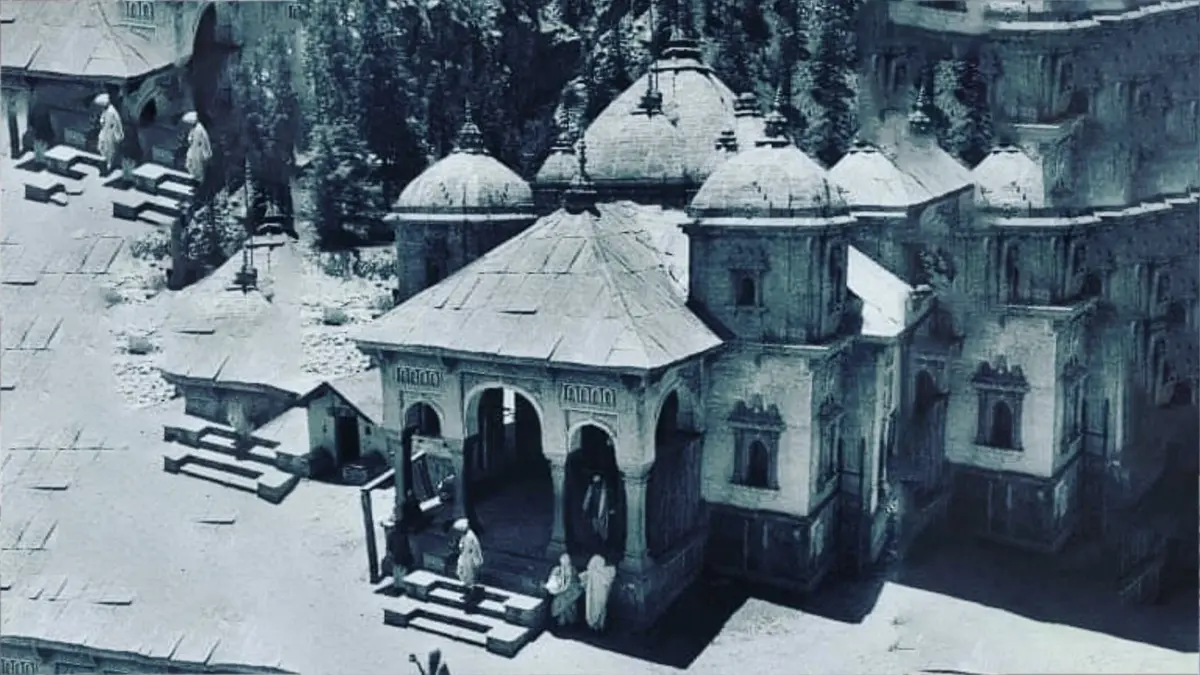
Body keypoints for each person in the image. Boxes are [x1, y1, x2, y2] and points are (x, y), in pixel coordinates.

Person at [543, 553, 582, 628]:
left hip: (571, 593)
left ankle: (570, 624)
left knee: (570, 608)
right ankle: (561, 623)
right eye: (563, 560)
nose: (565, 561)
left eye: (566, 560)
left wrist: (571, 587)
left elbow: (576, 581)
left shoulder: (572, 569)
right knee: (559, 606)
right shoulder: (557, 569)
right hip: (560, 592)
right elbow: (553, 579)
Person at [579, 554, 616, 632]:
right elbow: (583, 578)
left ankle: (599, 626)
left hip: (600, 595)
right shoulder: (593, 573)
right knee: (595, 609)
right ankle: (595, 626)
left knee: (600, 609)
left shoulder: (603, 572)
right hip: (593, 595)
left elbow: (607, 582)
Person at [453, 518, 483, 604]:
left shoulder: (471, 537)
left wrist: (476, 561)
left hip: (470, 560)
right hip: (464, 557)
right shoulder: (465, 536)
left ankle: (471, 594)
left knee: (469, 576)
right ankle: (467, 591)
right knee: (461, 572)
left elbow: (475, 550)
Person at [581, 474, 612, 543]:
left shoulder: (605, 490)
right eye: (595, 482)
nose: (596, 484)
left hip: (601, 513)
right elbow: (587, 499)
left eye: (598, 483)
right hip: (593, 512)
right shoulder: (591, 487)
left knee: (602, 530)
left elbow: (607, 503)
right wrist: (585, 509)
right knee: (594, 528)